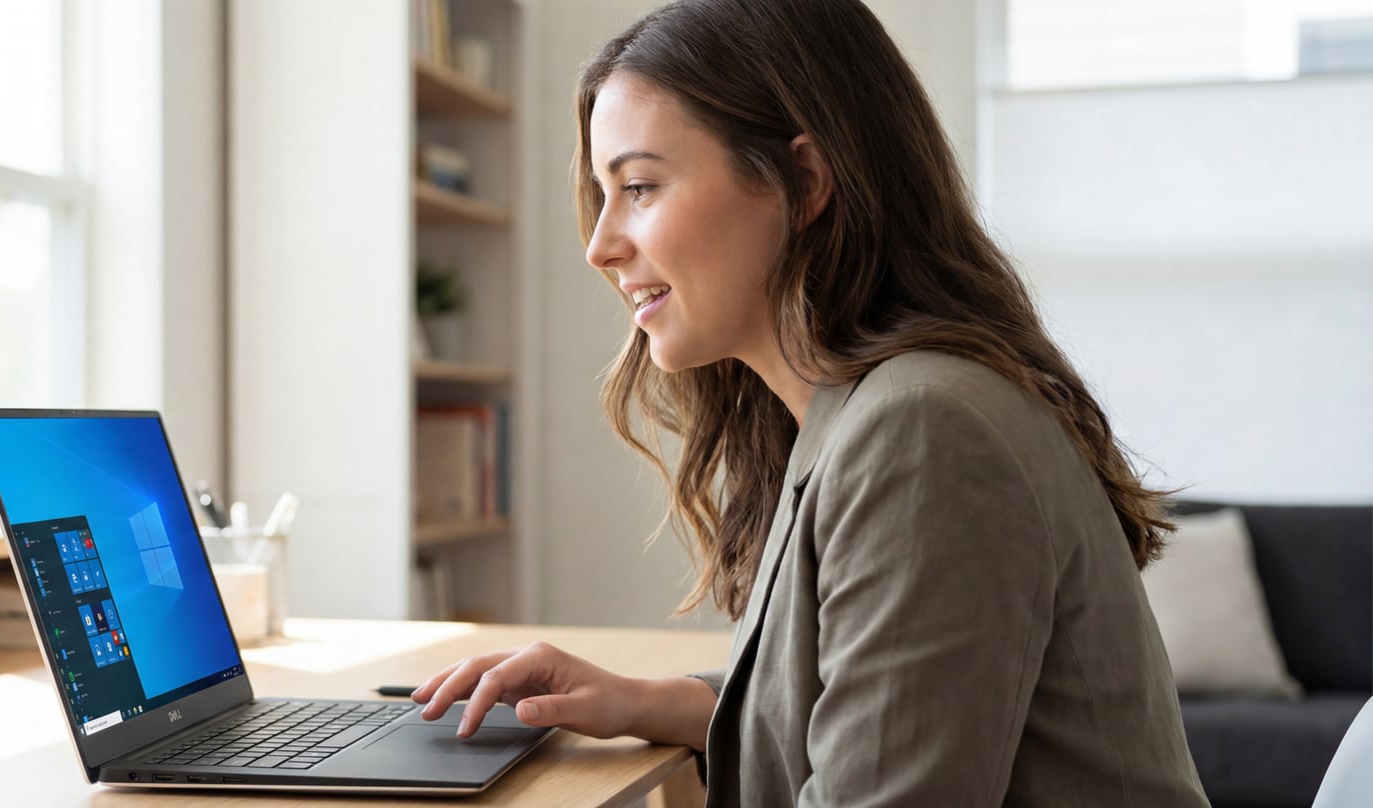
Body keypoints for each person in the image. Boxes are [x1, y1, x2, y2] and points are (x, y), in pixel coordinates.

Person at [410, 0, 1211, 804]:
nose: (600, 244)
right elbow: (860, 713)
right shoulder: (861, 411)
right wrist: (645, 701)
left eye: (641, 186)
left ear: (804, 180)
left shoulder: (924, 430)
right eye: (604, 193)